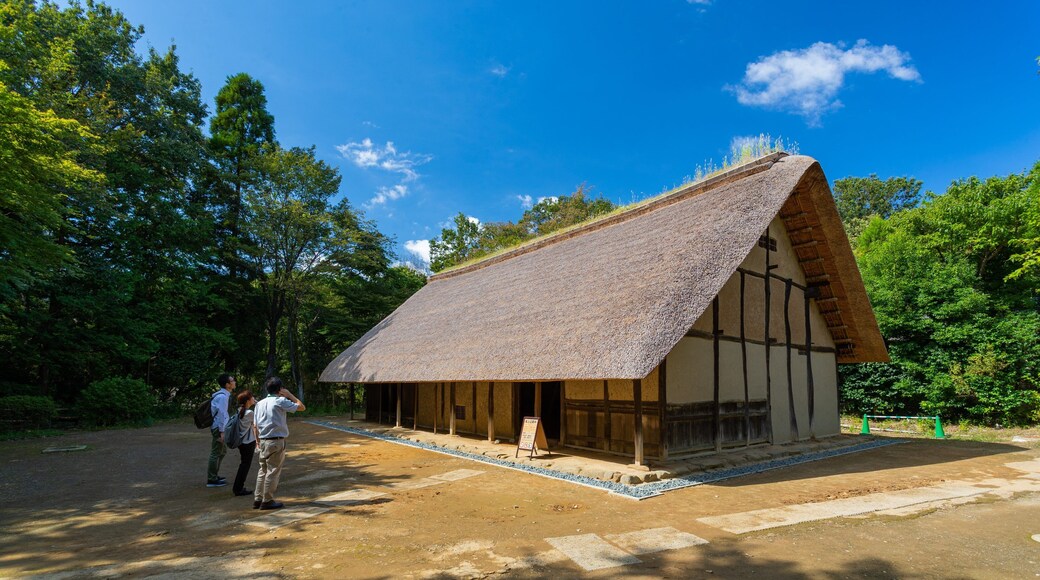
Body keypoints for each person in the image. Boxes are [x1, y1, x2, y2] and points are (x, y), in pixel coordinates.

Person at [252, 376, 306, 510]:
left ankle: (258, 498)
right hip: (276, 441)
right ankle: (267, 500)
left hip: (263, 440)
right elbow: (301, 407)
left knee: (263, 470)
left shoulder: (259, 404)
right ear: (280, 389)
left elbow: (255, 425)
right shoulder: (280, 401)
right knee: (273, 471)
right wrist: (289, 395)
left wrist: (257, 442)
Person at [206, 374, 235, 487]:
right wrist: (222, 431)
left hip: (219, 427)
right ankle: (211, 479)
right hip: (219, 428)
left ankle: (214, 475)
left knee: (222, 451)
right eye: (232, 380)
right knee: (216, 452)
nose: (234, 382)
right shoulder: (222, 397)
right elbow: (221, 415)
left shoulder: (223, 395)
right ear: (227, 384)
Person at [232, 390, 260, 497]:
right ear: (248, 400)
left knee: (244, 464)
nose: (254, 398)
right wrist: (257, 403)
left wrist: (254, 403)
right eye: (252, 397)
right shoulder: (249, 413)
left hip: (242, 442)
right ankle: (238, 488)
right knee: (245, 465)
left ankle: (238, 487)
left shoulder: (240, 410)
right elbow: (259, 420)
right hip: (248, 442)